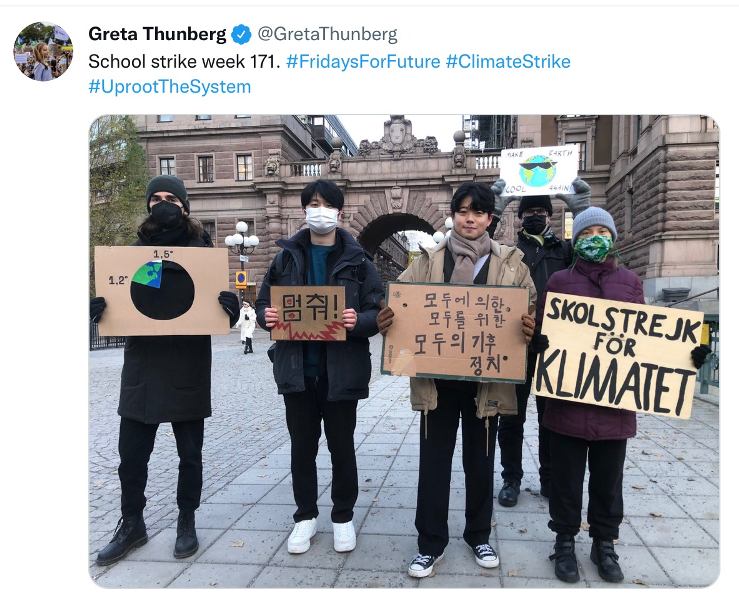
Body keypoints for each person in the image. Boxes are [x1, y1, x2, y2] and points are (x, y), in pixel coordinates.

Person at [531, 207, 711, 583]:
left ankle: (604, 543)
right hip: (567, 402)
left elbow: (646, 338)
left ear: (612, 238)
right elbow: (542, 332)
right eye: (586, 233)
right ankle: (564, 541)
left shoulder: (630, 281)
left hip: (614, 404)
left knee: (608, 481)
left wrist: (686, 355)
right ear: (576, 240)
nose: (594, 238)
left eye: (601, 231)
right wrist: (540, 343)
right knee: (565, 480)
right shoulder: (559, 281)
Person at [376, 182, 537, 578]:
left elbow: (529, 308)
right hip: (436, 384)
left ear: (490, 218)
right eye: (463, 211)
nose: (470, 219)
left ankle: (478, 535)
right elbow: (401, 301)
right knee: (434, 464)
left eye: (478, 212)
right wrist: (388, 316)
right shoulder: (427, 260)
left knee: (480, 464)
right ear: (452, 216)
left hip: (487, 384)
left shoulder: (512, 264)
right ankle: (430, 543)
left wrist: (529, 326)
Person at [90, 174, 240, 566]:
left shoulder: (202, 255)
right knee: (131, 457)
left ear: (185, 207)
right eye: (155, 198)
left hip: (188, 363)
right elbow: (143, 301)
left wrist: (228, 310)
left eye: (171, 198)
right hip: (144, 364)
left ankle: (186, 519)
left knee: (190, 455)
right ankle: (132, 523)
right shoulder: (136, 256)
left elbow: (204, 307)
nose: (163, 204)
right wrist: (103, 309)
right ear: (148, 206)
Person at [255, 179, 383, 555]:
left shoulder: (359, 261)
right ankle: (305, 516)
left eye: (326, 205)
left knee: (342, 448)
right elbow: (263, 303)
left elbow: (379, 312)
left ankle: (343, 517)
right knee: (302, 449)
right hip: (297, 370)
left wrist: (358, 320)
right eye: (313, 204)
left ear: (339, 212)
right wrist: (266, 316)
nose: (319, 211)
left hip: (341, 372)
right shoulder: (285, 258)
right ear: (303, 210)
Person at [489, 178, 591, 507]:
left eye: (540, 212)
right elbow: (478, 248)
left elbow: (594, 255)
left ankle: (549, 477)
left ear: (550, 215)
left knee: (552, 416)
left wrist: (581, 211)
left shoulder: (566, 250)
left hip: (553, 345)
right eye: (529, 212)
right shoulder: (507, 252)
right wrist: (495, 209)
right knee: (511, 416)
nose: (535, 216)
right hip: (515, 343)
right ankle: (511, 478)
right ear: (520, 217)